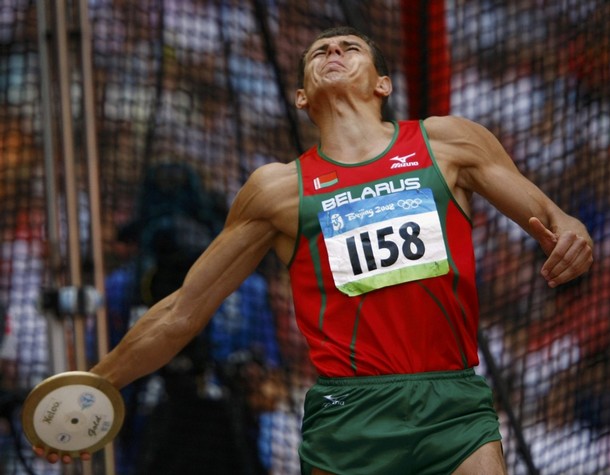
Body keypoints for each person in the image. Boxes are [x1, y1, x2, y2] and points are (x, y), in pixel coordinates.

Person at [34, 26, 593, 474]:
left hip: (451, 402)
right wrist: (97, 384)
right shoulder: (276, 190)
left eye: (350, 47)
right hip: (347, 416)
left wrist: (572, 231)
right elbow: (183, 310)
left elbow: (554, 217)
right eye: (319, 50)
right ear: (301, 96)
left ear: (382, 83)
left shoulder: (448, 142)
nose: (333, 50)